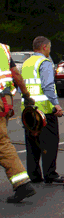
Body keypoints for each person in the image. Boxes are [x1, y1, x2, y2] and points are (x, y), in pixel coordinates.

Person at [21, 37, 64, 184]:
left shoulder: (27, 63)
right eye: (49, 47)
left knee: (32, 144)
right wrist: (56, 105)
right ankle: (50, 174)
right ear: (45, 47)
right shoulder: (44, 63)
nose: (50, 50)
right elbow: (48, 86)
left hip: (28, 111)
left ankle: (34, 175)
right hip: (44, 111)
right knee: (50, 143)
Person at [0, 42, 37, 202]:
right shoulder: (3, 49)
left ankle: (22, 184)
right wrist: (26, 95)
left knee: (1, 143)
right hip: (4, 99)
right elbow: (15, 74)